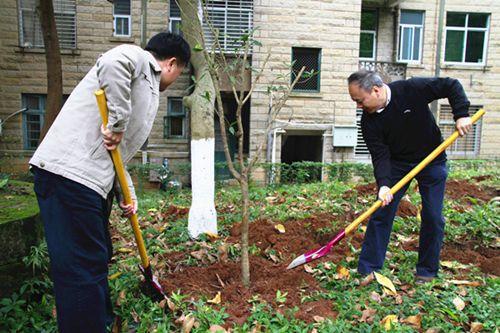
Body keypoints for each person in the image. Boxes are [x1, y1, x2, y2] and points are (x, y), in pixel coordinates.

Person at [29, 32, 191, 332]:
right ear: (171, 63)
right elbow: (112, 62)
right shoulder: (141, 61)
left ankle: (100, 322)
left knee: (98, 256)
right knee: (82, 265)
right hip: (70, 176)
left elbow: (115, 153)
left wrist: (125, 191)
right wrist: (117, 121)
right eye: (179, 73)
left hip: (87, 181)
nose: (175, 80)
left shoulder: (146, 82)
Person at [347, 70, 472, 283]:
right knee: (381, 212)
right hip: (398, 165)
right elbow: (380, 155)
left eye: (360, 100)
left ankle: (426, 271)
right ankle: (368, 269)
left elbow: (451, 85)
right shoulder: (368, 122)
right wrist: (384, 185)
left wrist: (461, 114)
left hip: (432, 160)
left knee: (433, 216)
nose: (358, 106)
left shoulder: (411, 89)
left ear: (376, 90)